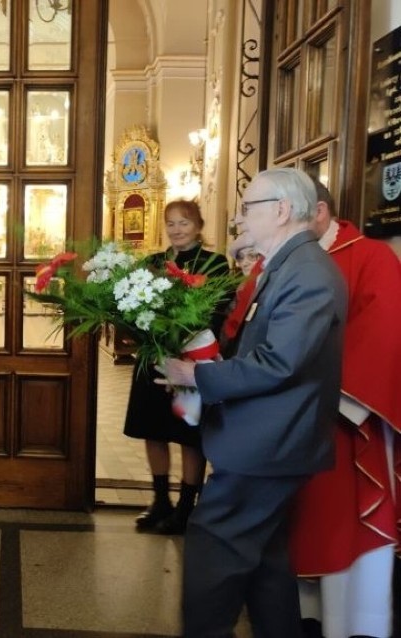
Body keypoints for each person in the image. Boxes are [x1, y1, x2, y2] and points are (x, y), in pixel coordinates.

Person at [156, 167, 347, 638]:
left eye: (248, 209)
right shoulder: (285, 265)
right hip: (266, 439)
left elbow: (278, 363)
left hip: (269, 444)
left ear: (281, 211)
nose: (240, 219)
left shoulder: (308, 275)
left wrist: (197, 374)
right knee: (266, 560)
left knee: (213, 550)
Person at [288, 179, 401, 638]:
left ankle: (354, 624)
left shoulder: (371, 256)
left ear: (318, 211)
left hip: (344, 421)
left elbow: (384, 333)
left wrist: (316, 389)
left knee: (343, 531)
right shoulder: (280, 257)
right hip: (286, 421)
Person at [123, 199, 229, 535]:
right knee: (152, 429)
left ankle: (186, 508)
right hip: (154, 356)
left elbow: (215, 311)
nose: (177, 230)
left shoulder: (215, 264)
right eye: (170, 224)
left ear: (198, 225)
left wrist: (182, 344)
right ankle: (160, 501)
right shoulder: (153, 262)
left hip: (190, 360)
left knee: (188, 435)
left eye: (183, 223)